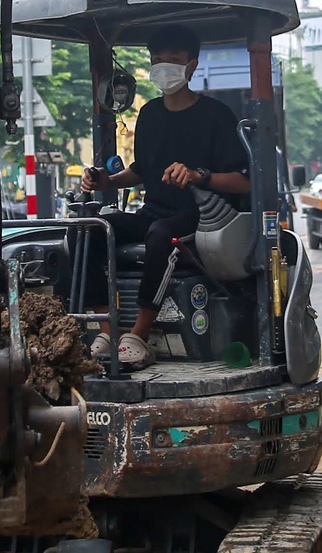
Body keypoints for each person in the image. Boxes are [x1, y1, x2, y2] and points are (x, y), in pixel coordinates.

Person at [81, 25, 251, 368]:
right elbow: (141, 170)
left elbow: (244, 182)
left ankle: (137, 336)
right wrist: (107, 182)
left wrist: (198, 175)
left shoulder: (217, 116)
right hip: (154, 211)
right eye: (157, 60)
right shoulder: (149, 114)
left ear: (191, 66)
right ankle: (107, 329)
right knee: (89, 228)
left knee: (162, 235)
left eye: (172, 60)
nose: (163, 67)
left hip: (203, 217)